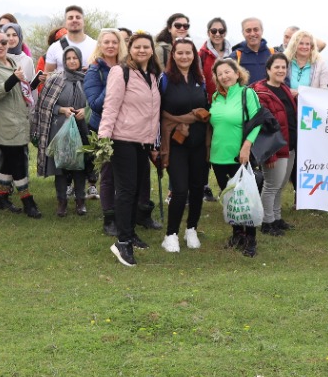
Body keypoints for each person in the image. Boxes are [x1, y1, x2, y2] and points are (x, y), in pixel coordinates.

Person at [99, 32, 164, 267]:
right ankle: (122, 242)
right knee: (126, 191)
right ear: (130, 49)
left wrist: (154, 142)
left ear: (152, 50)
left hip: (142, 141)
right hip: (122, 139)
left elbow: (153, 112)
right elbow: (110, 105)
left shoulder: (152, 75)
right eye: (137, 47)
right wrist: (104, 138)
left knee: (136, 189)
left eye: (146, 47)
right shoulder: (121, 71)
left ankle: (130, 232)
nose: (142, 50)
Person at [0, 24, 39, 218]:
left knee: (7, 161)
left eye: (3, 42)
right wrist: (13, 79)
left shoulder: (12, 62)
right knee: (17, 162)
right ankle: (27, 200)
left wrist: (35, 82)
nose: (0, 45)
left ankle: (1, 197)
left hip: (18, 119)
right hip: (4, 122)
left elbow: (20, 90)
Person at [158, 38, 210, 251]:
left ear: (194, 55)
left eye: (188, 53)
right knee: (180, 189)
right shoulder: (165, 79)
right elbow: (158, 111)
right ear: (173, 55)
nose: (184, 56)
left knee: (197, 187)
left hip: (199, 142)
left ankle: (191, 229)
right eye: (180, 53)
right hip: (175, 142)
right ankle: (171, 234)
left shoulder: (200, 79)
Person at [208, 57, 262, 256]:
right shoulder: (215, 97)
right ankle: (237, 233)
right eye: (219, 74)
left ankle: (251, 238)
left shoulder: (247, 93)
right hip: (218, 157)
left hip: (239, 156)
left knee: (247, 197)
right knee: (230, 199)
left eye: (227, 72)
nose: (224, 76)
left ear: (237, 73)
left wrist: (247, 146)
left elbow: (257, 121)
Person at [32, 46, 91, 218]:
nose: (72, 61)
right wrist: (62, 110)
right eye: (68, 58)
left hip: (82, 128)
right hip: (59, 128)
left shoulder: (87, 79)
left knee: (80, 165)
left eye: (75, 58)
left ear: (80, 60)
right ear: (64, 61)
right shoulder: (55, 79)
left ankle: (80, 201)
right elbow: (45, 104)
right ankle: (62, 201)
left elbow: (95, 102)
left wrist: (85, 111)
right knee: (61, 165)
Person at [85, 29, 125, 237]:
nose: (110, 46)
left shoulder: (127, 67)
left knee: (126, 174)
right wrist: (113, 83)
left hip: (126, 128)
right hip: (103, 128)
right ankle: (109, 218)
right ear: (100, 45)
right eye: (106, 42)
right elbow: (95, 104)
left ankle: (128, 212)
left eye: (114, 42)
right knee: (108, 174)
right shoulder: (94, 71)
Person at [254, 53, 298, 236]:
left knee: (280, 185)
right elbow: (263, 127)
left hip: (289, 146)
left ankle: (277, 218)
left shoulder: (285, 89)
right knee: (271, 185)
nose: (281, 70)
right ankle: (267, 221)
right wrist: (269, 154)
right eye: (277, 67)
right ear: (268, 70)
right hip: (275, 148)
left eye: (283, 67)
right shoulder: (261, 93)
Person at [232, 18, 273, 85]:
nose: (252, 34)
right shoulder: (235, 57)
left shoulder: (273, 54)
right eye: (248, 31)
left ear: (262, 31)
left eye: (256, 30)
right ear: (243, 33)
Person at [199, 18, 232, 82]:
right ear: (208, 33)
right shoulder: (201, 55)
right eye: (213, 31)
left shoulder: (233, 54)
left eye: (221, 31)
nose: (217, 34)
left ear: (225, 33)